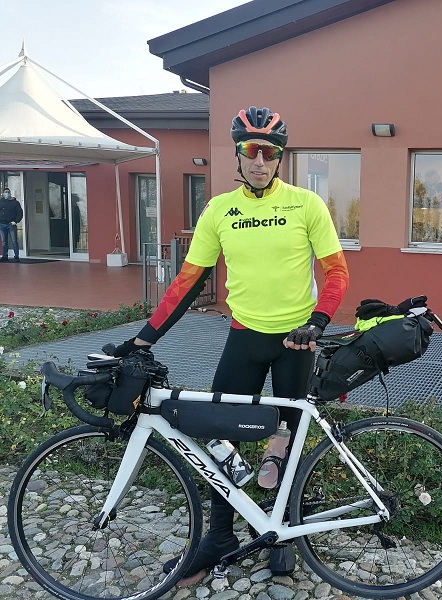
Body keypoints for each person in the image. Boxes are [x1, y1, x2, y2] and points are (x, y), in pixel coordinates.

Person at [110, 106, 350, 586]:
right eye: (250, 151)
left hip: (295, 342)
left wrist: (318, 323)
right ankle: (221, 535)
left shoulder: (306, 204)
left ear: (280, 157)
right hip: (243, 338)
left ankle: (282, 538)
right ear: (237, 155)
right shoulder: (219, 209)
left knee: (287, 442)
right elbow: (188, 280)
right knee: (219, 439)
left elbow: (338, 273)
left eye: (269, 151)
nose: (259, 160)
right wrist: (144, 337)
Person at [0, 188, 23, 262]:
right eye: (5, 192)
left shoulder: (15, 203)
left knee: (14, 241)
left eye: (8, 192)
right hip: (2, 224)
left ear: (10, 193)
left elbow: (20, 213)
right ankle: (4, 256)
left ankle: (16, 256)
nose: (7, 193)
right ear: (3, 193)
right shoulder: (1, 202)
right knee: (4, 241)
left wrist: (16, 221)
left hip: (11, 224)